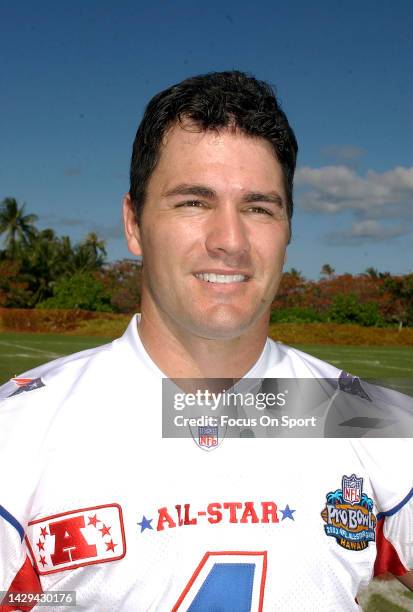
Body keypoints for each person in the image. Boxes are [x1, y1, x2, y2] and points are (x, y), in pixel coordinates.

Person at [0, 71, 411, 611]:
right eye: (194, 202)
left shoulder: (368, 418)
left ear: (288, 227)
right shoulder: (19, 430)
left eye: (259, 207)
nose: (230, 241)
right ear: (134, 223)